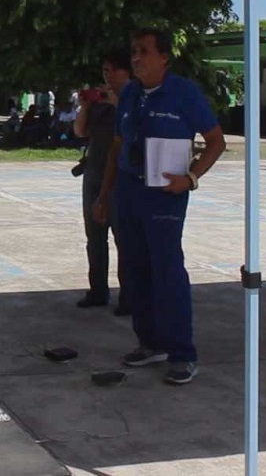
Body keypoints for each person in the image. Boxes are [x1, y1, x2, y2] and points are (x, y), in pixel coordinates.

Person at [94, 28, 226, 386]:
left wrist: (192, 178)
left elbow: (216, 141)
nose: (136, 58)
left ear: (164, 57)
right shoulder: (132, 94)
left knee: (167, 270)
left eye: (143, 52)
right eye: (133, 52)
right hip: (129, 191)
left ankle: (182, 353)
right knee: (135, 270)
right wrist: (105, 194)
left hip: (165, 194)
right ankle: (150, 343)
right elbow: (119, 145)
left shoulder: (183, 93)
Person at [73, 51, 132, 314]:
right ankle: (97, 290)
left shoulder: (133, 99)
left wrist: (115, 102)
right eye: (105, 70)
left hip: (122, 175)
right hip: (94, 172)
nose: (108, 75)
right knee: (94, 237)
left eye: (114, 70)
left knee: (124, 238)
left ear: (126, 73)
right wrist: (87, 104)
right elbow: (80, 131)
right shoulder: (98, 100)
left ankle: (129, 296)